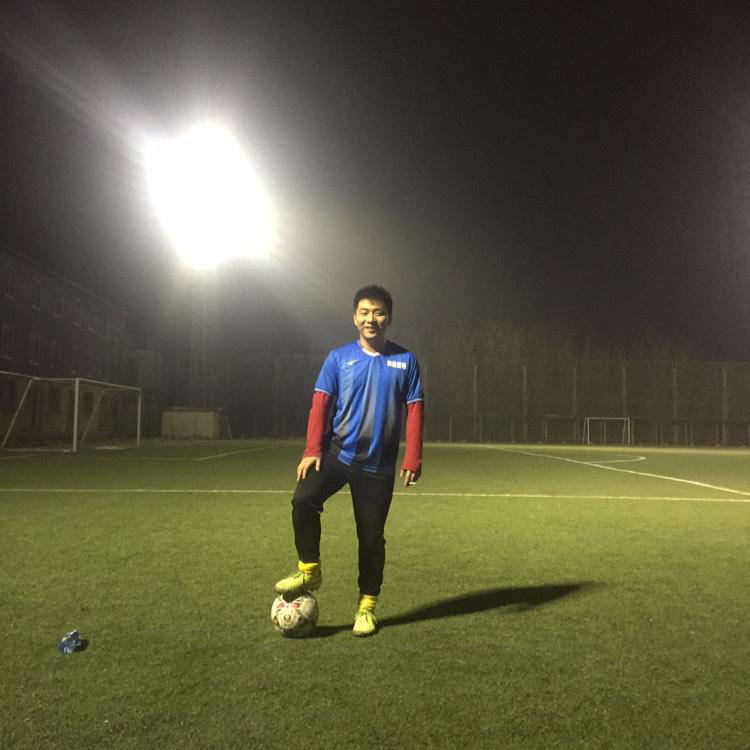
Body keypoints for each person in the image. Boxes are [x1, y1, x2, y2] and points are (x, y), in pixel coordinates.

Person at [274, 284, 424, 636]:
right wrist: (312, 449)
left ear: (388, 317)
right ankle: (309, 569)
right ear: (355, 318)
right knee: (303, 499)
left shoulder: (406, 361)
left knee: (371, 538)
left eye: (378, 312)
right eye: (364, 312)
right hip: (338, 454)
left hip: (378, 466)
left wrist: (413, 457)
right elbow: (321, 405)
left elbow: (415, 409)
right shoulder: (338, 358)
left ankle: (366, 607)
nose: (371, 319)